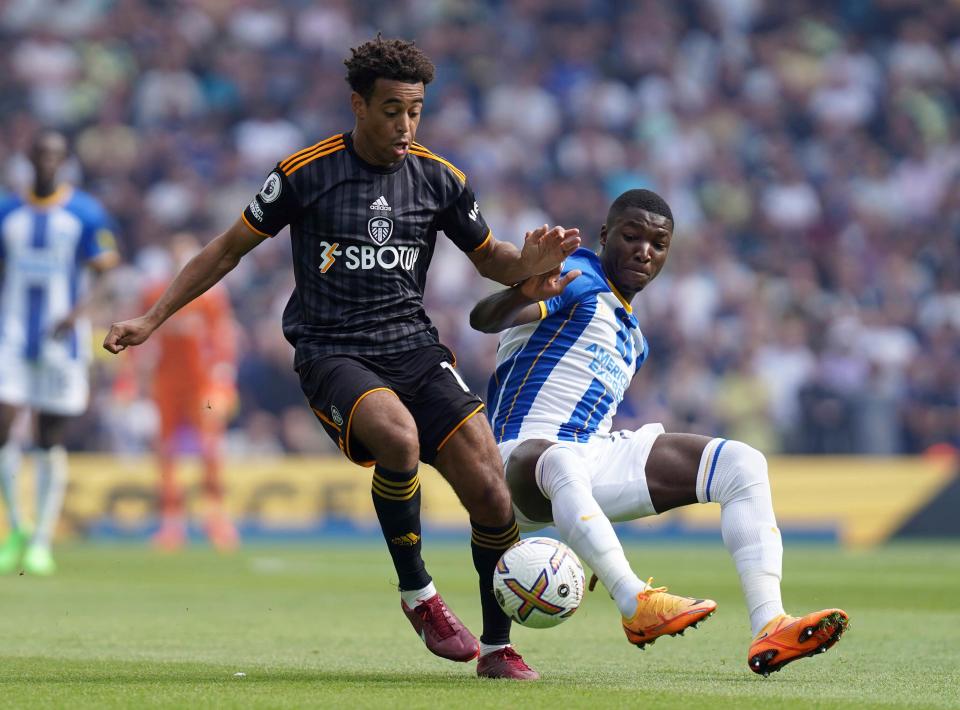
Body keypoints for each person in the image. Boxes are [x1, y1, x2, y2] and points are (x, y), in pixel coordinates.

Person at [103, 36, 580, 680]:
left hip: (413, 348)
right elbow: (226, 249)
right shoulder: (305, 171)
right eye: (391, 111)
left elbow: (489, 256)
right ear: (358, 105)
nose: (405, 125)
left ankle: (497, 648)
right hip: (332, 351)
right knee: (398, 439)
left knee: (493, 492)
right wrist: (152, 318)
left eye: (415, 111)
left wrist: (531, 266)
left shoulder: (440, 178)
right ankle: (420, 597)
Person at [470, 188, 849, 676]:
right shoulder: (578, 277)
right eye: (631, 236)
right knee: (561, 458)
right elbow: (484, 319)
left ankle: (770, 623)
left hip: (589, 461)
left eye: (658, 243)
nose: (644, 251)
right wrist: (524, 289)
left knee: (742, 463)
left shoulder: (635, 339)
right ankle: (635, 604)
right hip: (517, 461)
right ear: (606, 236)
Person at [0, 130, 120, 575]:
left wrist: (79, 312)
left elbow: (107, 271)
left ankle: (42, 540)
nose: (48, 163)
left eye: (56, 156)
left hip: (62, 341)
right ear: (30, 158)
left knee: (47, 440)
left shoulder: (85, 213)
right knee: (4, 423)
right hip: (11, 335)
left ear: (64, 161)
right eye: (41, 155)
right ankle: (16, 525)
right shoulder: (7, 210)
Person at [137, 233, 239, 552]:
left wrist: (224, 378)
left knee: (209, 451)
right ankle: (171, 523)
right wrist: (134, 377)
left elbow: (223, 336)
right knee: (166, 452)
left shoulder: (210, 296)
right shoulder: (154, 293)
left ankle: (216, 519)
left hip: (202, 384)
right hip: (167, 383)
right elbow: (144, 341)